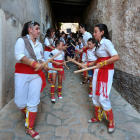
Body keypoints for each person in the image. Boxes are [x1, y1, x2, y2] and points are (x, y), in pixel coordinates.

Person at [14, 21, 48, 139]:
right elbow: (19, 56)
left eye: (39, 29)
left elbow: (41, 59)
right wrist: (34, 63)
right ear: (30, 29)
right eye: (37, 29)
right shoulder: (21, 41)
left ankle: (30, 127)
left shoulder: (39, 44)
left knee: (33, 101)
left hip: (36, 75)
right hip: (22, 73)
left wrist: (44, 65)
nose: (39, 31)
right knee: (20, 103)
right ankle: (28, 114)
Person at [88, 24, 119, 133]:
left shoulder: (106, 42)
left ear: (102, 32)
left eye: (95, 31)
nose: (94, 33)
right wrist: (89, 64)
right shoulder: (99, 44)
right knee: (95, 94)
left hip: (106, 72)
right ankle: (98, 117)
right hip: (98, 71)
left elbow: (116, 57)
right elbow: (99, 59)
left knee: (103, 97)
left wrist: (103, 63)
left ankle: (111, 120)